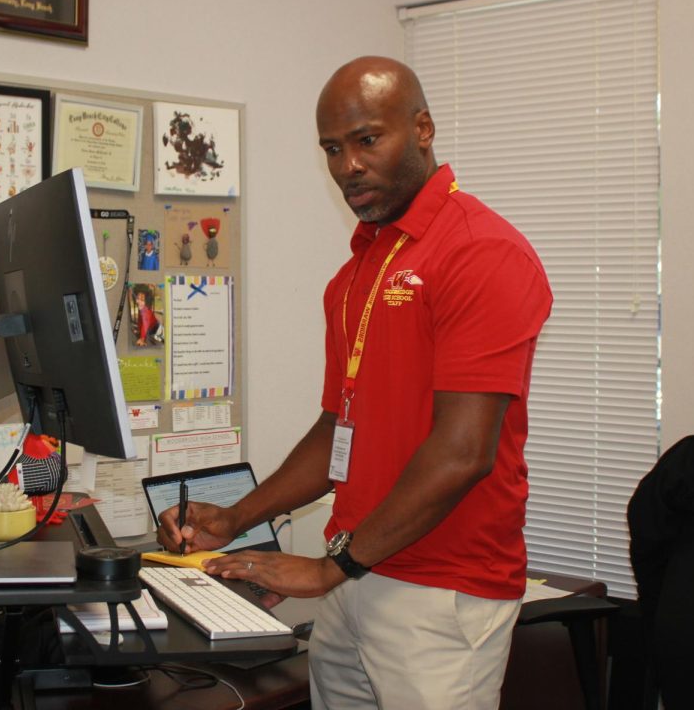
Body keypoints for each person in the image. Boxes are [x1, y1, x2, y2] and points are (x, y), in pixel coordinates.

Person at [156, 56, 552, 710]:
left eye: (368, 140)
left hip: (440, 591)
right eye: (333, 149)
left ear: (422, 128)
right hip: (356, 571)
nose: (348, 166)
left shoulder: (483, 252)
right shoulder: (358, 273)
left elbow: (462, 455)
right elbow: (339, 427)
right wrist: (238, 516)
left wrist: (329, 566)